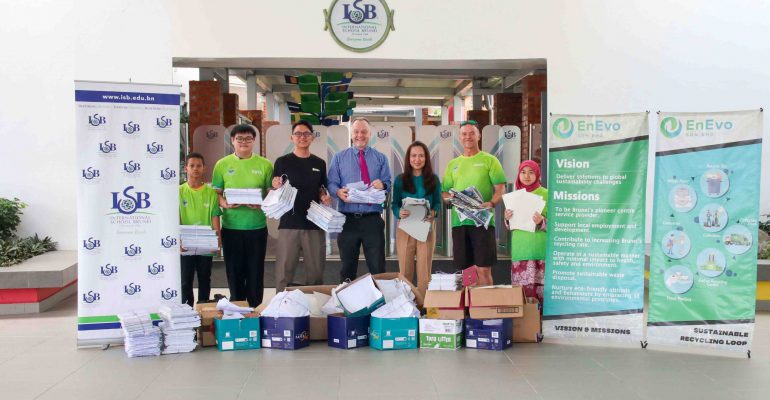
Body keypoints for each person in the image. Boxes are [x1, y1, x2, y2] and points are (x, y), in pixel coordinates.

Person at [211, 124, 273, 307]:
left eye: (248, 139)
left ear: (254, 141)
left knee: (255, 269)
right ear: (232, 141)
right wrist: (225, 204)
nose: (243, 142)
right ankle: (237, 305)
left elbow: (271, 193)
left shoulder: (265, 164)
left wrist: (261, 202)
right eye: (239, 139)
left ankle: (254, 307)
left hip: (257, 227)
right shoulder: (222, 165)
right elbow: (216, 193)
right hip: (231, 228)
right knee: (234, 269)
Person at [442, 120, 506, 286]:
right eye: (464, 134)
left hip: (483, 224)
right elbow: (444, 192)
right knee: (467, 271)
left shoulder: (490, 160)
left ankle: (485, 309)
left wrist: (491, 203)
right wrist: (454, 199)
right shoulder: (452, 164)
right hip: (459, 223)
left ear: (479, 135)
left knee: (483, 269)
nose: (468, 137)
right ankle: (469, 309)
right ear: (460, 137)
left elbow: (500, 189)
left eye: (471, 133)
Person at [327, 117, 392, 282]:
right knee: (347, 269)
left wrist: (383, 185)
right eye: (356, 132)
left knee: (377, 268)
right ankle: (348, 304)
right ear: (351, 134)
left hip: (372, 220)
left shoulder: (381, 158)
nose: (360, 135)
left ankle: (380, 304)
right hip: (347, 220)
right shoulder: (339, 157)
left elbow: (389, 183)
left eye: (364, 132)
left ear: (370, 134)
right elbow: (332, 182)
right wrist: (337, 192)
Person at [271, 120, 332, 292]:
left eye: (306, 133)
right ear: (292, 138)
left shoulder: (319, 163)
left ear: (312, 137)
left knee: (315, 274)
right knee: (284, 273)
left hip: (314, 224)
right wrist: (275, 185)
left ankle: (314, 312)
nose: (302, 137)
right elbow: (276, 188)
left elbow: (321, 189)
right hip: (289, 224)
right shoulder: (282, 162)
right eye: (298, 134)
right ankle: (282, 311)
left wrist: (324, 197)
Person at [392, 141, 441, 298]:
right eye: (414, 156)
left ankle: (423, 306)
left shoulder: (433, 179)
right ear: (408, 158)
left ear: (426, 158)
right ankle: (405, 304)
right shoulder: (400, 179)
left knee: (424, 271)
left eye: (421, 155)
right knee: (405, 270)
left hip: (425, 227)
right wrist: (399, 212)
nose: (417, 159)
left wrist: (433, 212)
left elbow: (438, 204)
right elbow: (394, 204)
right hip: (405, 227)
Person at [179, 152, 221, 307]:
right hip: (186, 243)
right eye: (192, 166)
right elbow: (176, 217)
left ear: (204, 168)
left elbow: (215, 217)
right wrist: (179, 240)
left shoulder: (210, 192)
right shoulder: (179, 191)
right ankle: (187, 313)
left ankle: (204, 310)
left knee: (205, 278)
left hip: (205, 243)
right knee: (185, 280)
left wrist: (218, 241)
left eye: (198, 166)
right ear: (186, 168)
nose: (195, 169)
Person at [504, 160, 548, 304]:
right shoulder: (514, 196)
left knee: (543, 294)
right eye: (523, 172)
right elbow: (510, 226)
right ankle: (525, 326)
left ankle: (541, 325)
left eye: (531, 172)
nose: (526, 176)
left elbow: (559, 224)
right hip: (521, 251)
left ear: (537, 174)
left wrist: (542, 221)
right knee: (522, 296)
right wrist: (507, 218)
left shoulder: (546, 194)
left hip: (540, 251)